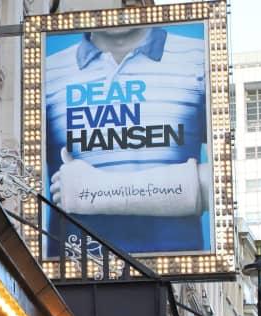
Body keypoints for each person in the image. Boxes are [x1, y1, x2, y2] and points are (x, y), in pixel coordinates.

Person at [44, 23, 211, 254]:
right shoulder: (45, 71)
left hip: (174, 263)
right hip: (72, 265)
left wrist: (93, 191)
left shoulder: (201, 57)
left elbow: (221, 182)